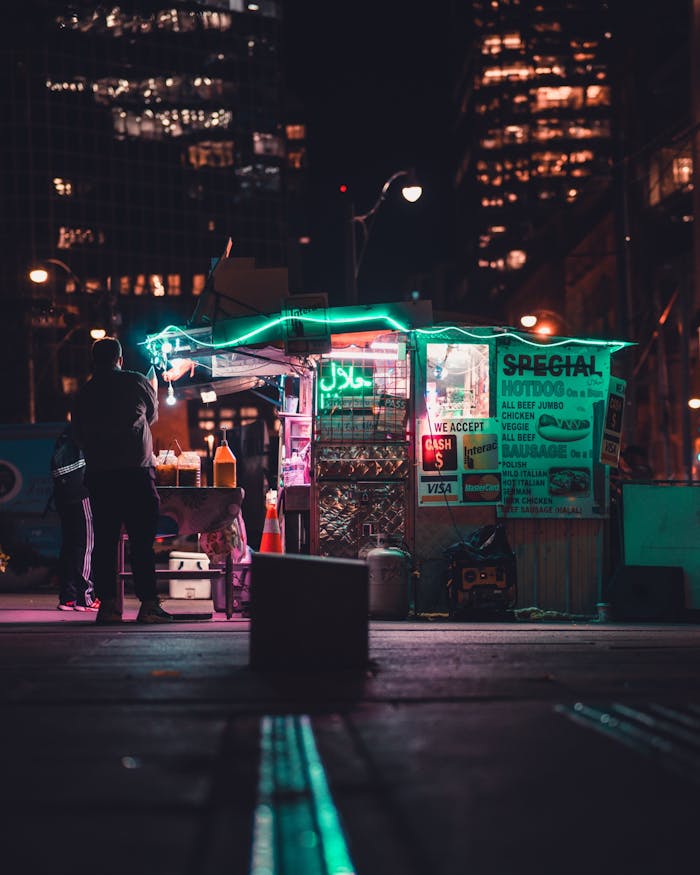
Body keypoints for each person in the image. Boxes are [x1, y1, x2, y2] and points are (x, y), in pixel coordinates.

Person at [72, 337, 172, 624]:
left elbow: (78, 435)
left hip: (101, 476)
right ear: (120, 359)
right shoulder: (137, 382)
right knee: (142, 542)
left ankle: (109, 607)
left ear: (94, 361)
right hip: (136, 473)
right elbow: (151, 416)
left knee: (105, 542)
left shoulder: (84, 393)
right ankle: (149, 605)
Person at [50, 420, 98, 612]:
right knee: (86, 544)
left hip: (63, 493)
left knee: (69, 545)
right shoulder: (90, 427)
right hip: (81, 492)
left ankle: (67, 597)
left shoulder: (68, 431)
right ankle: (84, 597)